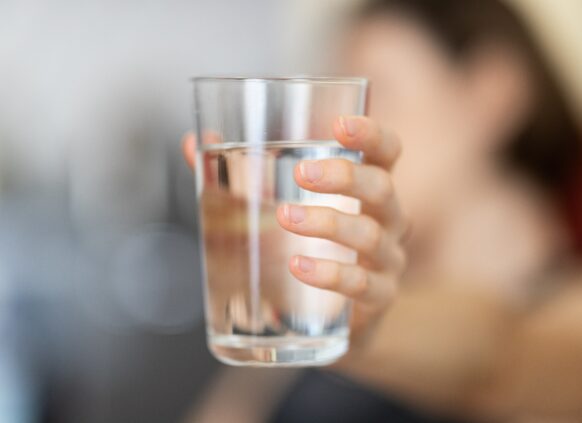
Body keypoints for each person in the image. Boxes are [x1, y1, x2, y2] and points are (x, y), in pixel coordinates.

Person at [183, 0, 582, 421]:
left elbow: (499, 361)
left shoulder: (564, 311)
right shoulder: (312, 305)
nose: (330, 127)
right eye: (329, 101)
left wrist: (367, 330)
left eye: (375, 93)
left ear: (493, 91)